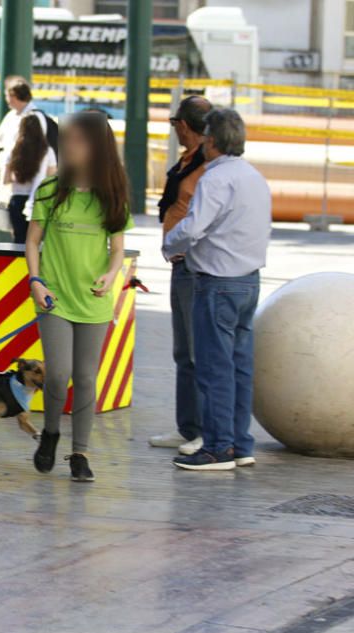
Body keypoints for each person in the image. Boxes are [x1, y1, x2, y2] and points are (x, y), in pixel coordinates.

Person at [25, 111, 133, 483]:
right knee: (58, 374)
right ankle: (51, 432)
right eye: (66, 141)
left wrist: (111, 272)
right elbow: (33, 242)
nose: (69, 147)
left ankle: (80, 452)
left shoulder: (112, 195)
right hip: (54, 297)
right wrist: (36, 281)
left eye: (77, 141)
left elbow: (117, 249)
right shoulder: (50, 191)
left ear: (97, 147)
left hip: (94, 300)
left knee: (86, 378)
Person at [165, 109, 271, 472]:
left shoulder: (215, 180)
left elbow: (193, 228)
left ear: (211, 141)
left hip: (217, 284)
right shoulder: (255, 177)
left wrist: (169, 243)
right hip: (248, 282)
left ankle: (217, 447)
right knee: (240, 367)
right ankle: (241, 443)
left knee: (213, 369)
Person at [148, 95, 212, 455]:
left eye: (176, 128)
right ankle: (187, 427)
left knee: (197, 350)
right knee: (183, 351)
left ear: (183, 126)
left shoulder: (209, 165)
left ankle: (205, 429)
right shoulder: (189, 161)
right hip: (180, 262)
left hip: (195, 262)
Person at [5, 113, 56, 243]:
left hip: (17, 199)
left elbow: (6, 179)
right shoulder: (47, 151)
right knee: (34, 242)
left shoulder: (14, 151)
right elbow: (52, 176)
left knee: (18, 240)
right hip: (38, 201)